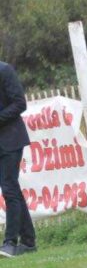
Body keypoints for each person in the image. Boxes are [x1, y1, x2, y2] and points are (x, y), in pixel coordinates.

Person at [0, 61, 36, 257]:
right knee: (12, 188)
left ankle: (10, 242)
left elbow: (20, 103)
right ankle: (28, 241)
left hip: (11, 139)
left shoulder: (4, 70)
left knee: (9, 188)